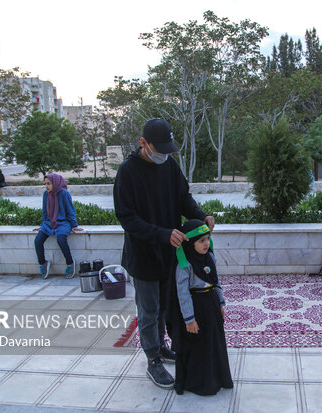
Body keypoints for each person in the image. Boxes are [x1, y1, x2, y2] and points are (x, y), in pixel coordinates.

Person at [113, 118, 215, 389]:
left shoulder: (169, 165)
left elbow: (184, 198)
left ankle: (161, 346)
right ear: (143, 143)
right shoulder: (128, 172)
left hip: (169, 253)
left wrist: (200, 215)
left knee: (164, 307)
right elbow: (127, 218)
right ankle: (152, 359)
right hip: (143, 254)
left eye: (168, 150)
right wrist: (161, 234)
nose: (165, 155)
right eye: (160, 149)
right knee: (148, 310)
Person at [173, 219, 233, 396]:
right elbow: (182, 293)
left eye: (207, 239)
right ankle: (201, 382)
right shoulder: (185, 265)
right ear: (191, 243)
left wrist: (221, 303)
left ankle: (218, 377)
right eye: (201, 241)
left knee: (214, 342)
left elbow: (216, 281)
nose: (206, 243)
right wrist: (189, 319)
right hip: (196, 307)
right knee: (200, 345)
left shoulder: (210, 257)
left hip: (211, 305)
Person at [33, 173, 83, 279]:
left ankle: (70, 263)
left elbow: (70, 209)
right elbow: (45, 211)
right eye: (45, 184)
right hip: (49, 223)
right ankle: (43, 263)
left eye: (49, 183)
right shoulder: (46, 194)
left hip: (63, 222)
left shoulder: (64, 193)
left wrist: (74, 225)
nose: (46, 186)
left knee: (61, 239)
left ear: (55, 183)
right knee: (38, 240)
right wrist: (43, 225)